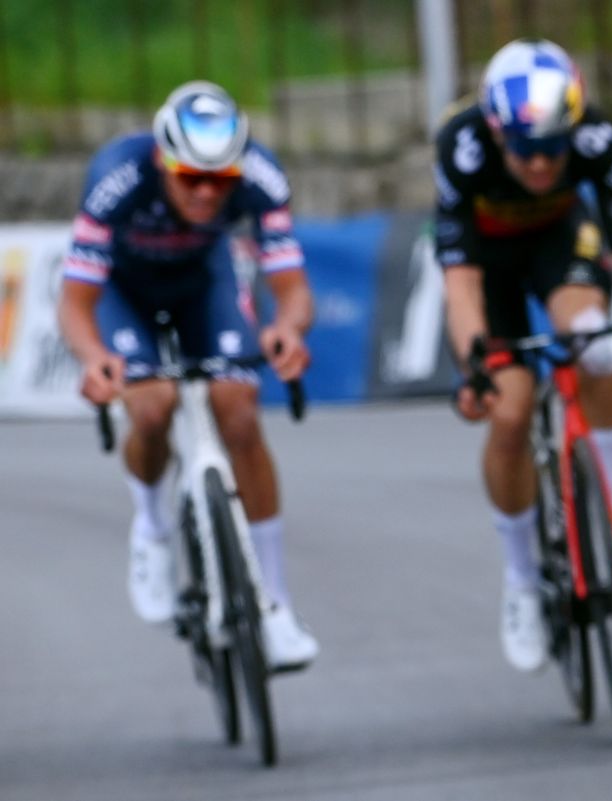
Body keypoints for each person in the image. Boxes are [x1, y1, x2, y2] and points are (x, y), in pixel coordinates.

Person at [57, 80, 319, 671]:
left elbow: (292, 288)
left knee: (240, 408)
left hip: (205, 283)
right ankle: (150, 527)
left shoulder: (261, 176)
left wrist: (289, 329)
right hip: (124, 293)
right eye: (190, 178)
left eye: (219, 181)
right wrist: (94, 357)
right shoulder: (116, 178)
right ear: (161, 159)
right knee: (151, 408)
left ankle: (274, 603)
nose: (206, 193)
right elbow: (74, 303)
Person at [433, 39, 612, 672]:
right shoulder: (463, 146)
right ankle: (522, 581)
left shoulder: (593, 135)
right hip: (487, 261)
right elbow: (460, 281)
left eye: (552, 149)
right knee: (508, 413)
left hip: (558, 244)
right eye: (526, 151)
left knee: (596, 341)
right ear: (496, 131)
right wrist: (474, 362)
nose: (540, 164)